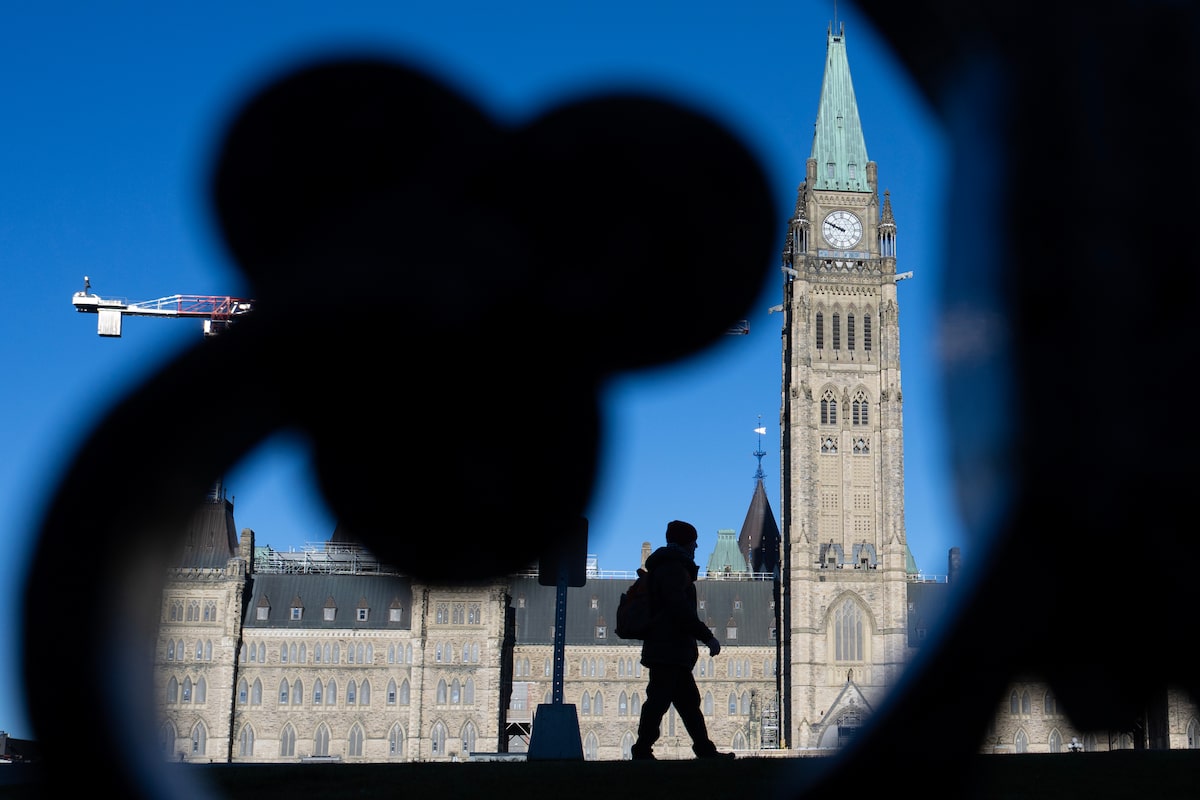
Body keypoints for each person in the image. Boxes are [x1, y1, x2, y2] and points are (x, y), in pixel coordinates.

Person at [630, 520, 735, 760]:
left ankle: (704, 750)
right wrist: (707, 637)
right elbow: (679, 610)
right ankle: (642, 750)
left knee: (687, 703)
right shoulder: (673, 569)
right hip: (669, 649)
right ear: (685, 542)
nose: (696, 545)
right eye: (693, 541)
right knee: (659, 702)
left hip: (670, 649)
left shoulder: (669, 568)